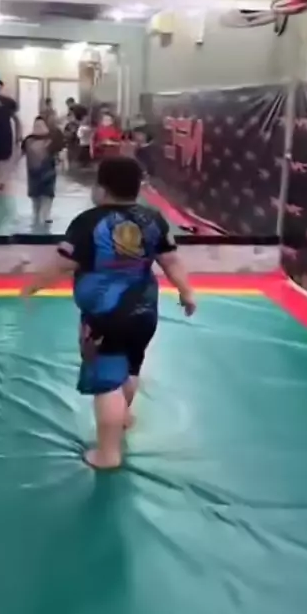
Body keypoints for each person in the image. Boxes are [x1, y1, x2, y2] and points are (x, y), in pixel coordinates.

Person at [23, 156, 196, 469]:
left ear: (101, 189)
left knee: (106, 384)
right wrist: (186, 291)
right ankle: (123, 416)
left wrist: (32, 285)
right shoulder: (153, 219)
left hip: (106, 316)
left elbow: (62, 264)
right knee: (130, 367)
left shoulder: (88, 222)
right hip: (145, 311)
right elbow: (171, 260)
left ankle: (107, 454)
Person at [22, 116, 62, 227]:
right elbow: (21, 153)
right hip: (33, 174)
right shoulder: (28, 140)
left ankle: (46, 216)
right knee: (35, 198)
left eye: (41, 125)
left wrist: (60, 162)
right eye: (36, 125)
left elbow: (58, 154)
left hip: (48, 172)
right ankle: (37, 215)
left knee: (47, 196)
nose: (38, 128)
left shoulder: (52, 140)